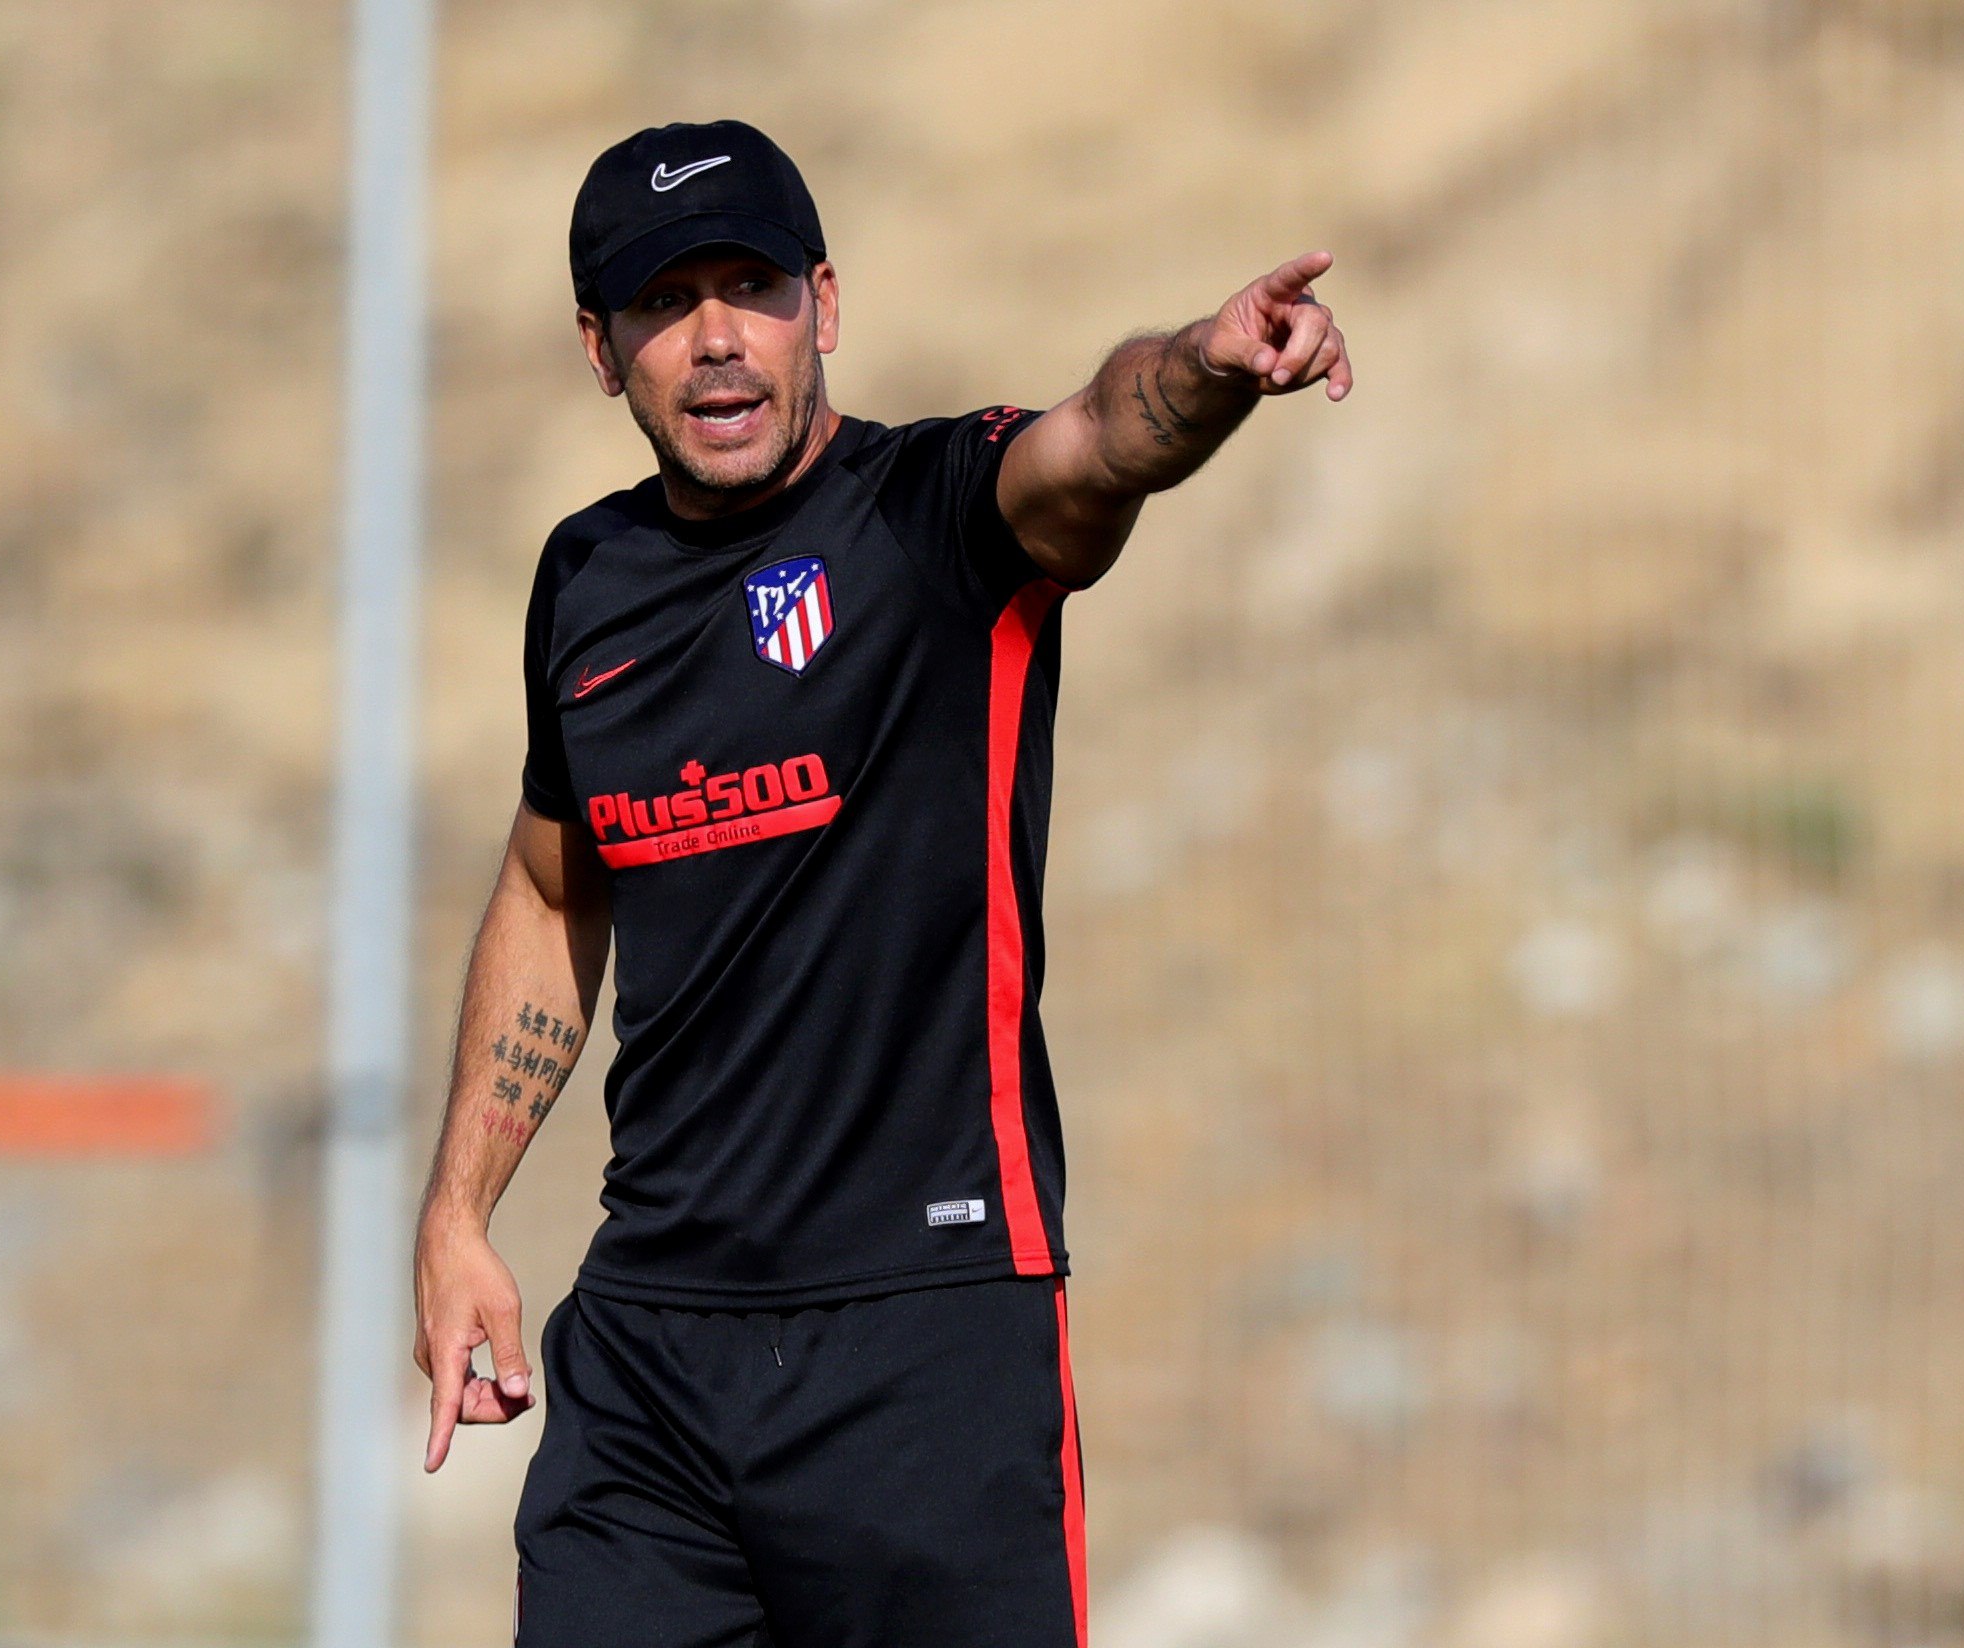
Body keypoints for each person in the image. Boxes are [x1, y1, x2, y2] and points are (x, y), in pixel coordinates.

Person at [411, 119, 1351, 1648]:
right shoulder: (585, 581)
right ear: (602, 350)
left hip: (926, 1342)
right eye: (664, 303)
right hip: (651, 1349)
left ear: (824, 306)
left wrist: (1206, 364)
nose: (717, 341)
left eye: (753, 288)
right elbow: (551, 885)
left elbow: (1103, 438)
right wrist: (457, 1216)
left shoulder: (939, 517)